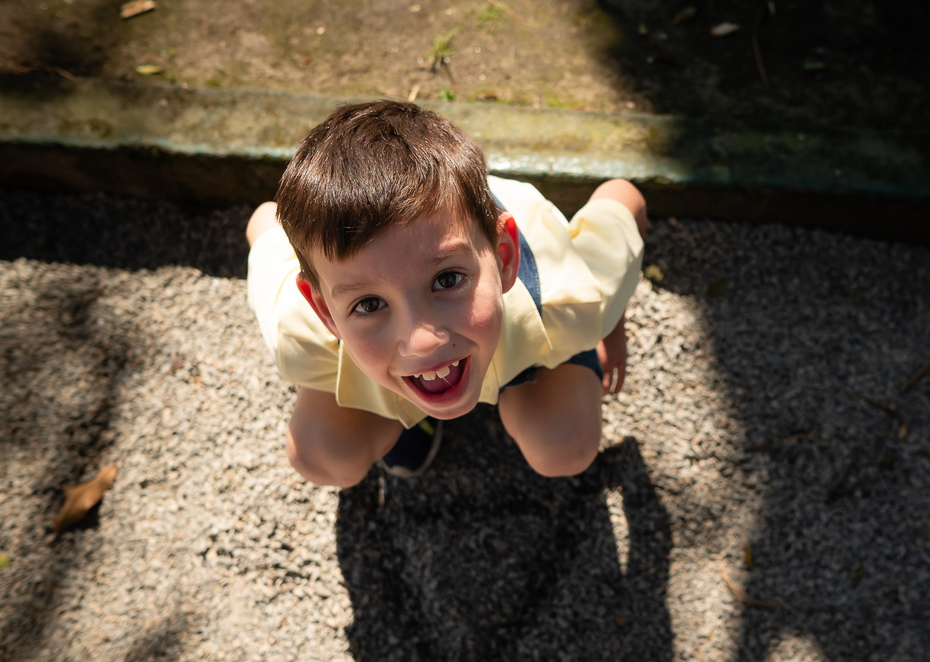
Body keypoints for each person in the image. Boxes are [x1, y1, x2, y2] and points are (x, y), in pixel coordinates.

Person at [245, 101, 646, 488]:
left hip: (529, 323)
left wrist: (608, 325)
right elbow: (263, 223)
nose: (422, 342)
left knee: (565, 447)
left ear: (504, 258)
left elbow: (623, 197)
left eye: (448, 280)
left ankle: (405, 395)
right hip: (456, 268)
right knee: (320, 454)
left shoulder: (575, 296)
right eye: (368, 304)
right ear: (323, 311)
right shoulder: (297, 333)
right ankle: (406, 406)